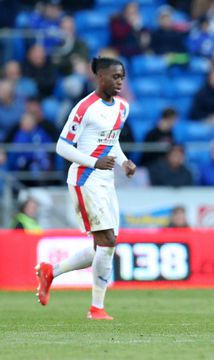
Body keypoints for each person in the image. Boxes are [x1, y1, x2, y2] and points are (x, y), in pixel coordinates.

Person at [35, 57, 137, 321]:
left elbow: (111, 141)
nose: (119, 82)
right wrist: (94, 161)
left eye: (122, 77)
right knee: (108, 242)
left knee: (103, 246)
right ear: (100, 77)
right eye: (115, 77)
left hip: (106, 181)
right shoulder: (84, 108)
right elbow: (62, 146)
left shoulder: (123, 107)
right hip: (85, 178)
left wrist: (124, 161)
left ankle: (51, 271)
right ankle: (96, 308)